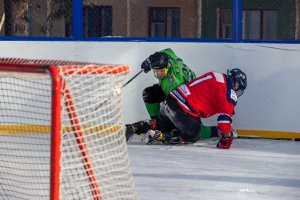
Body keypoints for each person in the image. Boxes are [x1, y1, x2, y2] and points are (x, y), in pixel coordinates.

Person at [125, 48, 218, 142]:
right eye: (156, 71)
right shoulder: (169, 58)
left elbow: (174, 105)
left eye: (161, 71)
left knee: (194, 132)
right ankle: (157, 123)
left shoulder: (172, 83)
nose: (159, 74)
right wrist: (151, 59)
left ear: (167, 67)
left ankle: (216, 131)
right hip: (184, 92)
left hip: (189, 100)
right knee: (149, 94)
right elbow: (167, 50)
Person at [143, 68, 247, 149]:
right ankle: (161, 136)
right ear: (233, 81)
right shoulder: (229, 92)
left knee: (161, 125)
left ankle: (133, 128)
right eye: (237, 86)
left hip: (170, 100)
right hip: (183, 110)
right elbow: (224, 121)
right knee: (194, 134)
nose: (237, 90)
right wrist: (226, 141)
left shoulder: (217, 75)